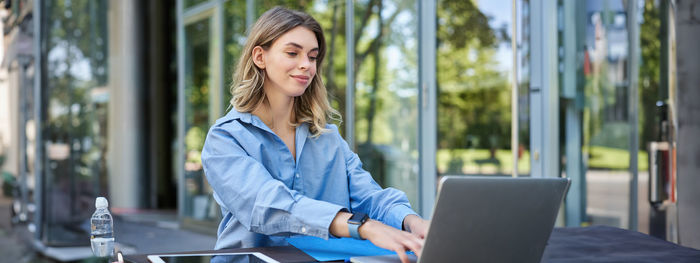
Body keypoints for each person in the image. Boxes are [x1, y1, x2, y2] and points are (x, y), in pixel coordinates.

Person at [201, 6, 428, 263]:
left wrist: (413, 222)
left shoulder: (327, 136)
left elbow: (370, 197)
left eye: (312, 56)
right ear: (260, 57)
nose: (306, 65)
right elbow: (268, 205)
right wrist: (362, 226)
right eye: (292, 53)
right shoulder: (226, 138)